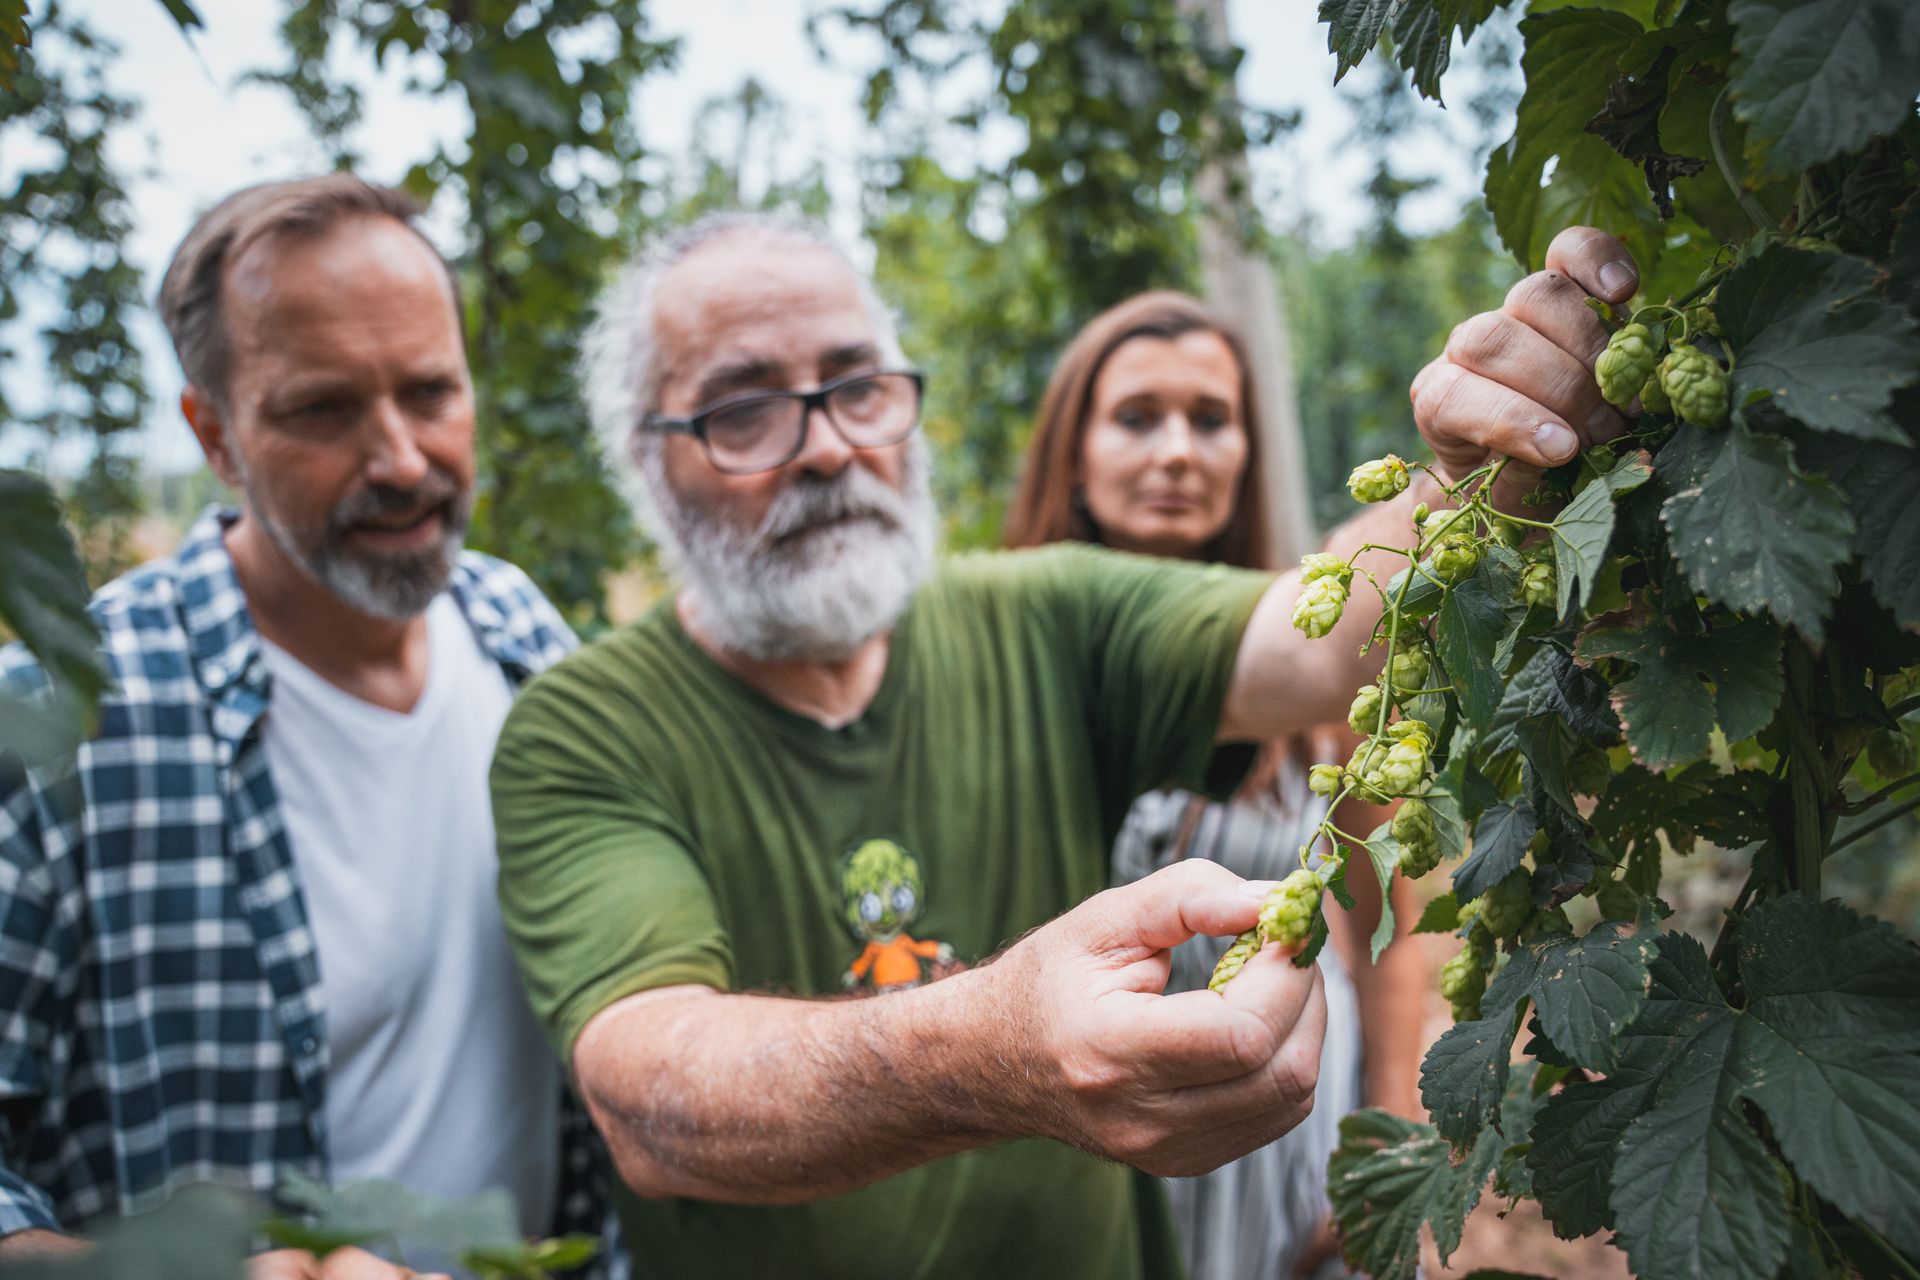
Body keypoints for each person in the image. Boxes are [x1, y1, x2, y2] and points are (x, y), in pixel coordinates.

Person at [489, 211, 1637, 1278]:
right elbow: (650, 1090)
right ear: (644, 458)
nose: (827, 445)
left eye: (859, 386)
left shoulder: (1037, 615)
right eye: (743, 408)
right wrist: (999, 1046)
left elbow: (1313, 636)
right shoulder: (584, 724)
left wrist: (1487, 460)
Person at [0, 175, 620, 1279]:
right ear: (216, 434)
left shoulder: (523, 634)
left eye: (431, 391)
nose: (399, 459)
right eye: (322, 409)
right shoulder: (65, 715)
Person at [1002, 290, 1426, 1279]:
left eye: (1211, 417)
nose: (1179, 450)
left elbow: (1386, 928)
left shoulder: (1329, 655)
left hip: (1287, 1146)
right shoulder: (1008, 670)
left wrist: (1393, 1139)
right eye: (1137, 416)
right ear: (1074, 446)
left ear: (1247, 452)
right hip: (1081, 1148)